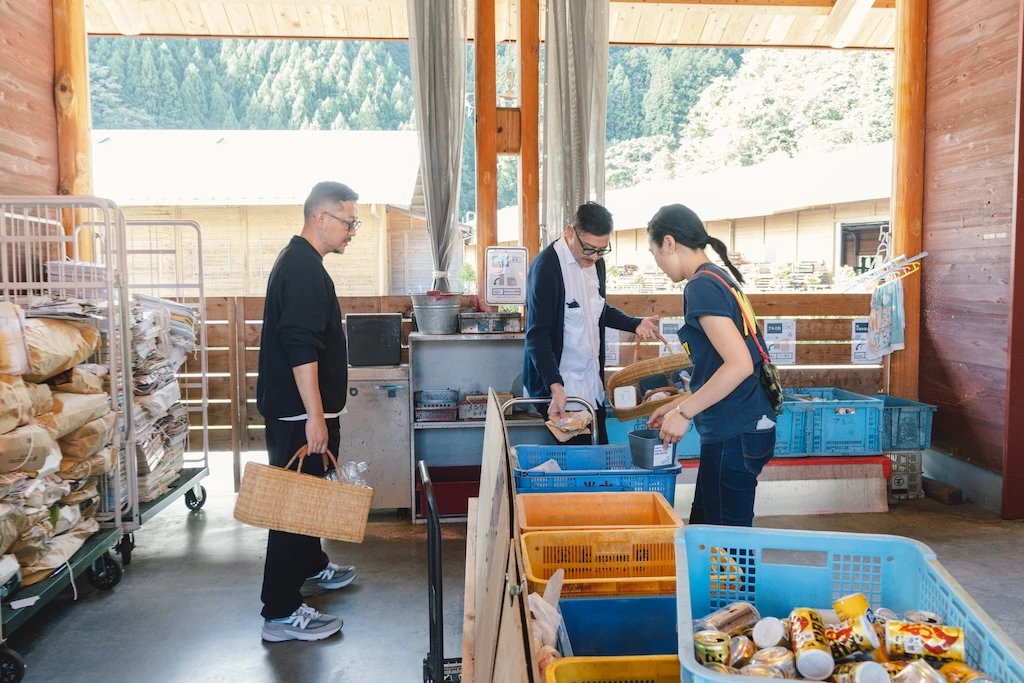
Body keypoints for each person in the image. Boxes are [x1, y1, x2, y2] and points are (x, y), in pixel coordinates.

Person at [255, 181, 361, 642]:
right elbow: (300, 347)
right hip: (300, 416)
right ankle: (279, 612)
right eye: (348, 221)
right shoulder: (301, 268)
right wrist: (315, 415)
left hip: (304, 412)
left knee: (310, 499)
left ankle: (311, 566)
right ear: (321, 217)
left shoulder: (302, 261)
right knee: (294, 509)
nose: (352, 231)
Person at [645, 203, 776, 527]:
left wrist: (684, 413)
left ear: (669, 243)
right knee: (704, 531)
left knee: (727, 546)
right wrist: (679, 403)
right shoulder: (718, 278)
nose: (658, 264)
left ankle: (740, 582)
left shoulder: (701, 286)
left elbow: (739, 365)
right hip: (741, 423)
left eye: (654, 252)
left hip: (734, 428)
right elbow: (721, 366)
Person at [523, 202, 661, 443]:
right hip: (561, 388)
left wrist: (635, 323)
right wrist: (555, 388)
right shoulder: (547, 267)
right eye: (589, 249)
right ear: (569, 232)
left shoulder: (596, 264)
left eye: (601, 250)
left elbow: (596, 309)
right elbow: (537, 335)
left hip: (590, 383)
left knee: (599, 458)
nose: (595, 257)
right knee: (576, 465)